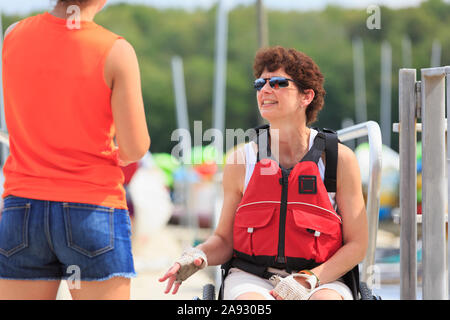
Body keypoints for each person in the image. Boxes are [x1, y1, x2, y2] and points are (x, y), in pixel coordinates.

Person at [159, 46, 368, 300]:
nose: (265, 90)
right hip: (252, 276)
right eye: (260, 84)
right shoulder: (241, 160)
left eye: (279, 83)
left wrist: (309, 279)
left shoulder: (339, 160)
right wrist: (198, 255)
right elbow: (224, 240)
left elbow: (357, 244)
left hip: (321, 277)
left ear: (306, 96)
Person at [0, 0, 150, 299]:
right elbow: (135, 148)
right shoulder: (116, 50)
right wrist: (119, 153)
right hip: (92, 207)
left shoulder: (13, 34)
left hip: (23, 208)